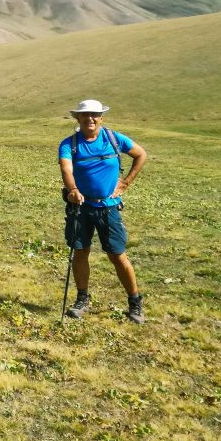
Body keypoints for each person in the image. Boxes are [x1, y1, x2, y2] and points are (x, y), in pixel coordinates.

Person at [59, 99, 148, 324]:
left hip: (108, 208)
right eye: (85, 114)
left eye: (95, 115)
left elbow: (141, 154)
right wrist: (73, 189)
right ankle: (82, 299)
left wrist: (125, 183)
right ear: (77, 118)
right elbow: (66, 168)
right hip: (80, 207)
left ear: (101, 118)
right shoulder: (69, 144)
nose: (90, 118)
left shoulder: (114, 138)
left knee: (118, 256)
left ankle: (135, 302)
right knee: (80, 253)